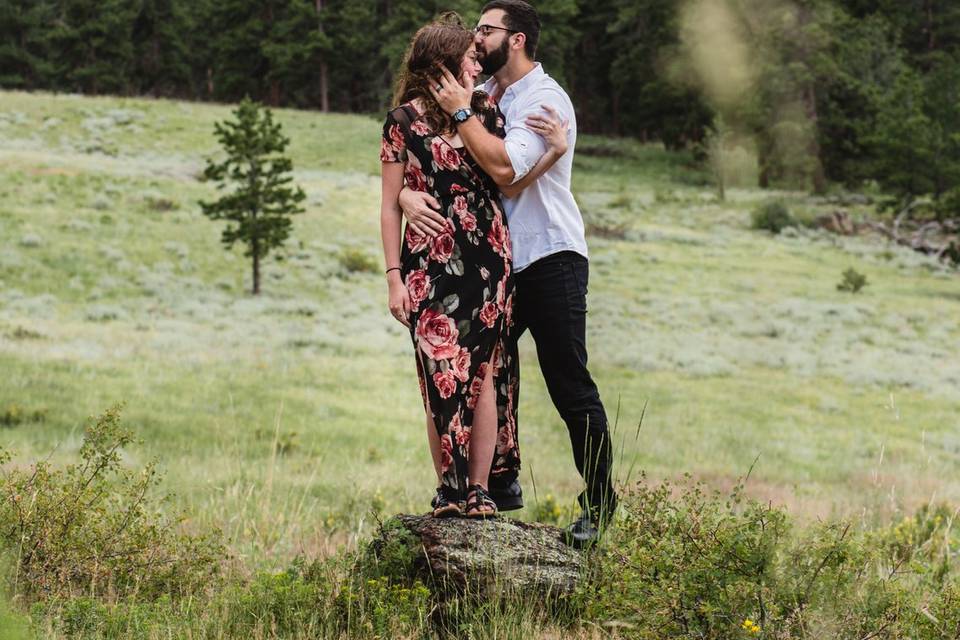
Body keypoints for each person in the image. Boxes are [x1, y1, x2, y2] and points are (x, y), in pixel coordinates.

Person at [399, 0, 617, 545]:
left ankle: (600, 502)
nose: (476, 38)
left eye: (486, 29)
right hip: (493, 264)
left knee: (567, 380)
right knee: (482, 370)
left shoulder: (544, 100)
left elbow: (503, 170)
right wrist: (405, 193)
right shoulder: (488, 96)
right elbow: (443, 163)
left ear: (515, 39)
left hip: (548, 257)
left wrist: (467, 114)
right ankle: (494, 483)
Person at [379, 14, 569, 518]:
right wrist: (393, 277)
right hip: (429, 264)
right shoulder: (402, 122)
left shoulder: (483, 109)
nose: (476, 59)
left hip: (487, 259)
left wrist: (552, 153)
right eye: (468, 53)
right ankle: (448, 487)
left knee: (481, 375)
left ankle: (479, 490)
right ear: (443, 62)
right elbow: (387, 204)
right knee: (439, 375)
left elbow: (508, 177)